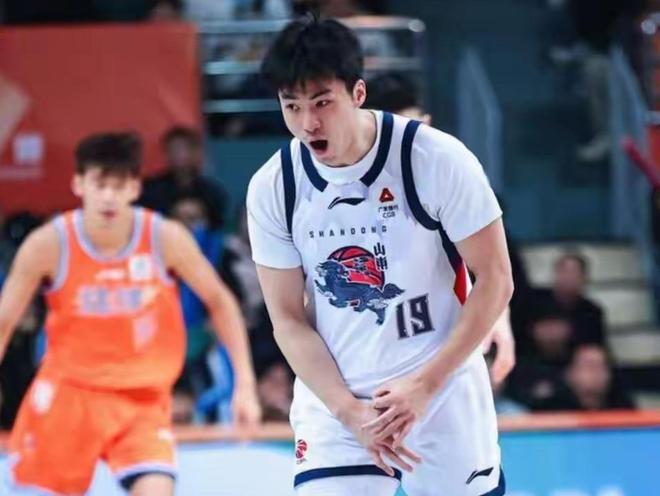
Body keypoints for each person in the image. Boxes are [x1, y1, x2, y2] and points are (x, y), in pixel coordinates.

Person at [248, 15, 513, 495]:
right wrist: (348, 411)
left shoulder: (436, 159)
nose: (308, 123)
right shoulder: (274, 186)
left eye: (322, 102)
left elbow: (496, 278)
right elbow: (287, 319)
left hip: (439, 386)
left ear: (358, 93)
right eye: (292, 106)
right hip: (338, 400)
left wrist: (425, 385)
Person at [0, 132, 260, 495]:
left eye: (119, 185)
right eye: (100, 184)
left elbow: (221, 302)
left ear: (135, 188)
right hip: (70, 396)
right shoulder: (49, 244)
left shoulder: (164, 237)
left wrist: (245, 386)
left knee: (156, 489)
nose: (109, 196)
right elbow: (4, 322)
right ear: (79, 184)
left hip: (142, 399)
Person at [139, 126, 228, 230]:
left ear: (194, 152)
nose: (176, 155)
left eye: (180, 149)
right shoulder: (150, 189)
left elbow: (216, 225)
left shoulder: (213, 192)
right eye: (171, 150)